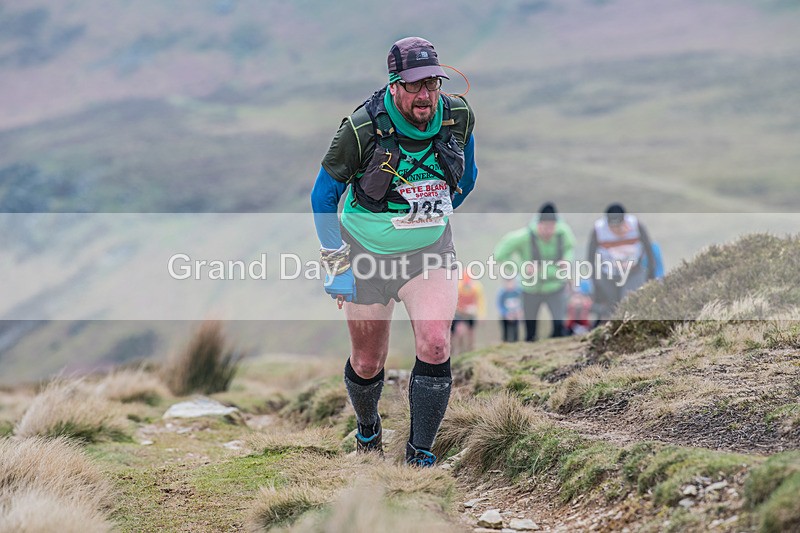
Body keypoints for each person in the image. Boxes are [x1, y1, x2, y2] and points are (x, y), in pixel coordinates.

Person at [310, 37, 477, 467]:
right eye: (416, 85)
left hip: (429, 252)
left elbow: (469, 177)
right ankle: (368, 428)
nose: (426, 95)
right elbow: (322, 197)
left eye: (433, 84)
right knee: (367, 362)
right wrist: (336, 265)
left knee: (437, 344)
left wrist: (434, 213)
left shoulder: (458, 116)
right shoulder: (360, 128)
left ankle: (420, 452)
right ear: (395, 85)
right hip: (365, 254)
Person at [494, 203, 576, 342]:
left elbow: (570, 247)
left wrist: (566, 260)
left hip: (556, 286)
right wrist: (522, 268)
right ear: (538, 224)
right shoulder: (524, 236)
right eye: (545, 227)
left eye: (552, 227)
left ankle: (555, 353)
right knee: (530, 332)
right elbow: (500, 255)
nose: (548, 231)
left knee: (558, 327)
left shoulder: (563, 233)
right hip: (530, 289)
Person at [586, 203, 656, 320]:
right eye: (612, 226)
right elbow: (591, 257)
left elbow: (649, 250)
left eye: (619, 225)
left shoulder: (636, 226)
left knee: (629, 302)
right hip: (607, 274)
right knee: (611, 307)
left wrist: (651, 273)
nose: (616, 229)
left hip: (633, 272)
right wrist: (595, 279)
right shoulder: (598, 230)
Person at [451, 272, 486, 355]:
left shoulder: (477, 287)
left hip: (470, 313)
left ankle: (470, 350)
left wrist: (481, 315)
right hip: (458, 313)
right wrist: (462, 310)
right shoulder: (458, 287)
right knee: (459, 332)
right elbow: (452, 303)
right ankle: (457, 351)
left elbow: (481, 302)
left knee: (471, 332)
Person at [497, 277, 522, 342]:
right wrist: (506, 314)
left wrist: (519, 312)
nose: (510, 285)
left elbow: (522, 303)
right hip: (506, 316)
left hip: (515, 314)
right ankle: (505, 341)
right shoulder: (502, 293)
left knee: (515, 331)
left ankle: (516, 342)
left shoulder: (518, 292)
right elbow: (500, 305)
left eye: (511, 282)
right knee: (506, 332)